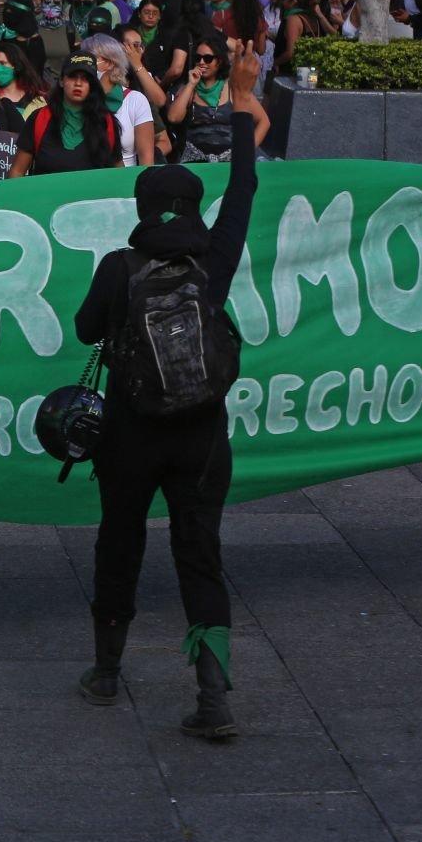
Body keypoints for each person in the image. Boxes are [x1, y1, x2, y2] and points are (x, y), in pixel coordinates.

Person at [72, 71, 260, 739]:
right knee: (199, 554)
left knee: (118, 545)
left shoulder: (120, 266)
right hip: (204, 439)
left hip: (130, 437)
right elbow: (244, 188)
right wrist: (241, 108)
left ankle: (104, 673)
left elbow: (86, 331)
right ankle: (213, 698)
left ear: (145, 206)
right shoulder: (217, 260)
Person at [7, 53, 121, 176]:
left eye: (85, 78)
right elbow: (17, 171)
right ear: (61, 81)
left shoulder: (106, 122)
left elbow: (118, 172)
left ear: (92, 85)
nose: (78, 83)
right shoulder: (39, 119)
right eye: (72, 77)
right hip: (46, 195)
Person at [165, 38, 271, 164]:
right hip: (195, 161)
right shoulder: (188, 89)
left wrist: (245, 150)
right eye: (198, 58)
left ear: (219, 61)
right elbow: (173, 118)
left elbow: (264, 121)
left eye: (208, 58)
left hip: (229, 162)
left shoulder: (233, 88)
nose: (202, 62)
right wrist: (191, 84)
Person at [87, 32, 156, 167]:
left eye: (90, 60)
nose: (85, 65)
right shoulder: (77, 100)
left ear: (110, 62)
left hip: (124, 181)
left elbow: (146, 161)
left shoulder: (136, 100)